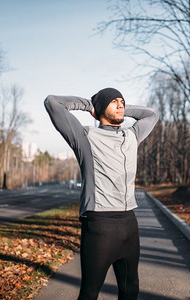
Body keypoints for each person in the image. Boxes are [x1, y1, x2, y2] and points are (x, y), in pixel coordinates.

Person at [44, 87, 159, 300]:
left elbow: (152, 115)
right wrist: (91, 105)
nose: (120, 104)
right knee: (89, 293)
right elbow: (52, 102)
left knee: (130, 290)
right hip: (100, 226)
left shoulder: (132, 135)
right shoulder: (85, 136)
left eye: (122, 101)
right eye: (113, 101)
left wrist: (119, 108)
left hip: (129, 224)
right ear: (99, 110)